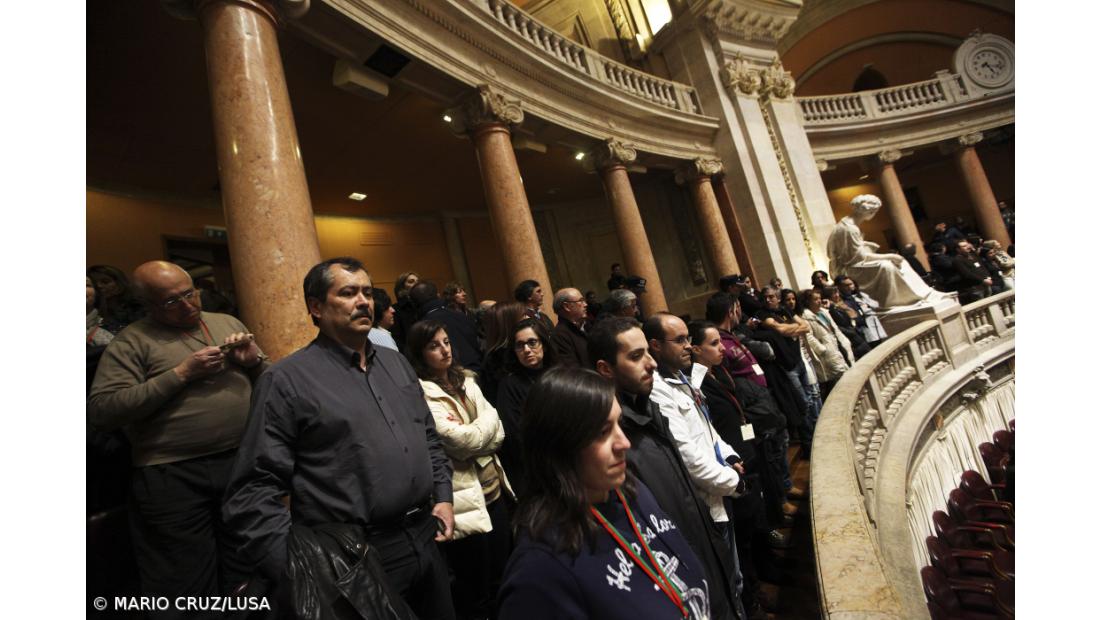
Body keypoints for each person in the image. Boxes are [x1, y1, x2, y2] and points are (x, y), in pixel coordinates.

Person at [222, 257, 457, 620]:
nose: (364, 301)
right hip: (355, 557)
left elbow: (427, 435)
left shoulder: (396, 363)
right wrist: (304, 569)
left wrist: (443, 496)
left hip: (426, 536)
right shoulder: (287, 380)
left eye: (366, 292)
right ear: (316, 307)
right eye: (348, 293)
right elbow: (252, 493)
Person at [89, 261, 268, 614]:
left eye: (190, 293)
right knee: (184, 582)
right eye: (172, 302)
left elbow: (273, 387)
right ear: (148, 305)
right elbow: (103, 410)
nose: (187, 305)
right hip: (171, 475)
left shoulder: (226, 323)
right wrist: (181, 374)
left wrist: (255, 362)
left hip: (238, 464)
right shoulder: (132, 342)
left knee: (247, 569)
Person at [498, 368, 712, 620]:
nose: (624, 443)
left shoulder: (633, 492)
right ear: (559, 446)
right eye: (602, 432)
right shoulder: (540, 571)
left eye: (618, 424)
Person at [588, 317, 746, 620]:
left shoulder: (650, 409)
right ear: (605, 369)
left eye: (647, 352)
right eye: (635, 356)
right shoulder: (617, 438)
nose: (650, 363)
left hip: (701, 542)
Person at [406, 320, 513, 620]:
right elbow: (461, 442)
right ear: (419, 354)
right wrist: (484, 431)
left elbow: (499, 428)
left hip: (494, 489)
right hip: (465, 499)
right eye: (433, 346)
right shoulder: (422, 393)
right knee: (474, 586)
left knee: (502, 574)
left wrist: (480, 431)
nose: (444, 350)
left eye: (446, 342)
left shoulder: (467, 379)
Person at [644, 313, 748, 611]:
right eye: (680, 340)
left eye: (689, 338)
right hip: (707, 498)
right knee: (726, 581)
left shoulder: (681, 378)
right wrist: (735, 483)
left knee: (735, 574)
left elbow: (707, 428)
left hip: (721, 485)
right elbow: (690, 457)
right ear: (656, 346)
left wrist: (729, 455)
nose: (689, 346)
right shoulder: (658, 389)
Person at [687, 320, 792, 615]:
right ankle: (754, 594)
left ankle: (768, 565)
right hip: (731, 469)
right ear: (696, 350)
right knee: (744, 536)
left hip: (744, 454)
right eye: (713, 344)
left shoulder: (718, 372)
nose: (722, 348)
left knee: (758, 521)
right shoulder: (695, 383)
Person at [827, 194, 948, 307]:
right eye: (874, 212)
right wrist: (890, 256)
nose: (874, 214)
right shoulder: (850, 229)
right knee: (887, 266)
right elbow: (859, 257)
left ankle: (925, 293)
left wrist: (865, 244)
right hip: (850, 269)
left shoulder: (845, 223)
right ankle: (901, 300)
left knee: (901, 262)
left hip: (853, 264)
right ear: (869, 211)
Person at [496, 318, 557, 498]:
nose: (526, 350)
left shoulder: (561, 374)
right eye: (520, 345)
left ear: (544, 345)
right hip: (536, 472)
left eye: (532, 343)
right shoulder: (509, 384)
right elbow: (514, 434)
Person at [411, 281, 482, 373]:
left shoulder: (424, 326)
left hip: (452, 376)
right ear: (438, 295)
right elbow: (476, 344)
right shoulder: (461, 315)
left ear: (414, 304)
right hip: (476, 370)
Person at [797, 289, 852, 401]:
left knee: (846, 372)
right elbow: (808, 336)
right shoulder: (805, 316)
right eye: (815, 299)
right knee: (839, 376)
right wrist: (822, 349)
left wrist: (844, 341)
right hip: (828, 352)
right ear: (807, 302)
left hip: (837, 346)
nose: (819, 301)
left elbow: (834, 329)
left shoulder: (823, 312)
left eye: (819, 298)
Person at [479, 301, 528, 406]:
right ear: (510, 323)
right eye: (523, 316)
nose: (528, 318)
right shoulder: (499, 360)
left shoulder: (515, 350)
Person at [88, 264, 147, 333]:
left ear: (119, 283)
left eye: (105, 282)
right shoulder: (90, 309)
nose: (99, 286)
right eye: (94, 284)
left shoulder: (139, 307)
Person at [835, 276, 888, 347]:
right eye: (846, 285)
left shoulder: (858, 295)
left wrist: (867, 306)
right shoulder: (843, 301)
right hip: (861, 327)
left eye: (851, 284)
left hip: (871, 323)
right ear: (840, 287)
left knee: (879, 343)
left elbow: (875, 304)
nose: (849, 287)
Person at [550, 287, 589, 368]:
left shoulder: (587, 325)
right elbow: (573, 372)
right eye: (581, 301)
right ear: (567, 306)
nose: (585, 304)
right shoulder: (559, 336)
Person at [951, 240, 994, 304]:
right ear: (958, 249)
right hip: (975, 287)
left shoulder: (973, 255)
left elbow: (982, 266)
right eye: (964, 246)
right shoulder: (957, 260)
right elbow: (967, 274)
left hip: (986, 282)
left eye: (967, 245)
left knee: (991, 303)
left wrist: (988, 277)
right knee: (981, 304)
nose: (967, 247)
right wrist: (982, 280)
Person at [391, 270, 420, 351]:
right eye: (411, 281)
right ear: (402, 286)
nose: (416, 284)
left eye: (417, 281)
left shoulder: (422, 305)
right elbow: (398, 339)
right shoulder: (396, 310)